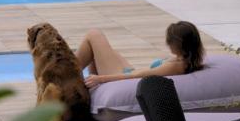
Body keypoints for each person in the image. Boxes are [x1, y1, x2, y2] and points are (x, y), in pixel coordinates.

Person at [76, 21, 205, 89]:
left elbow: (136, 76)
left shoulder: (176, 66)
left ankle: (63, 77)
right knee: (98, 47)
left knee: (93, 35)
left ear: (177, 44)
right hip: (130, 73)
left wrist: (101, 79)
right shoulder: (188, 59)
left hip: (126, 80)